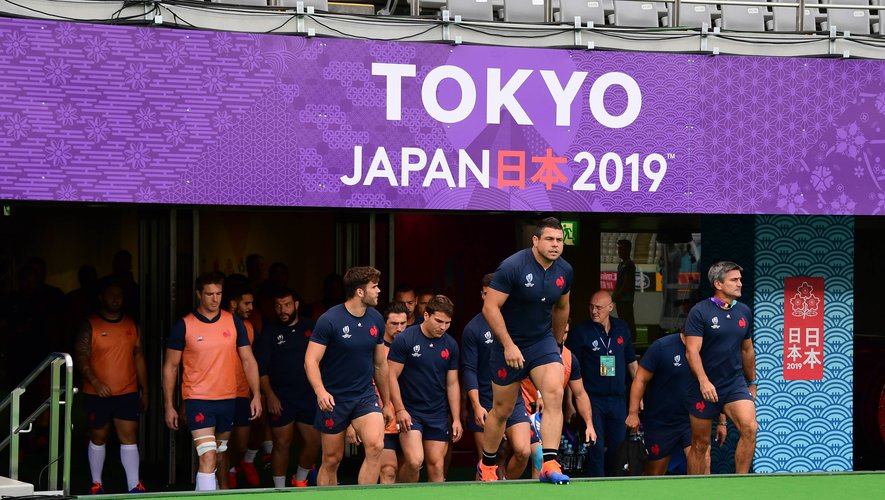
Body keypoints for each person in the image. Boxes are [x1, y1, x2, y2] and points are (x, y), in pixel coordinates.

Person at [478, 217, 573, 484]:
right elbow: (490, 307)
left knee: (554, 392)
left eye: (559, 240)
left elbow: (562, 307)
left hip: (542, 341)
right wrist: (508, 345)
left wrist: (557, 345)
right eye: (549, 239)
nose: (555, 245)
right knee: (502, 410)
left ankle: (549, 463)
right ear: (535, 240)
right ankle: (487, 465)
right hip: (509, 344)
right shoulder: (512, 266)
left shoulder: (565, 270)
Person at [162, 272, 262, 491]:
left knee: (218, 454)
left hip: (228, 399)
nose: (215, 299)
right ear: (199, 294)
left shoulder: (234, 322)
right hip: (198, 399)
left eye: (218, 294)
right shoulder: (184, 325)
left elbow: (248, 360)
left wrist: (256, 394)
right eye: (209, 294)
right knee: (207, 455)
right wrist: (169, 405)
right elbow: (170, 367)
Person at [304, 266, 395, 486]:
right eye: (374, 287)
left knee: (376, 446)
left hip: (365, 395)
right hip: (334, 399)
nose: (379, 291)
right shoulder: (329, 320)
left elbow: (380, 364)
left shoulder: (376, 319)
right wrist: (320, 391)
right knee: (332, 460)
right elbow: (310, 361)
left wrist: (386, 403)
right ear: (360, 292)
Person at [75, 278, 148, 494]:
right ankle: (96, 483)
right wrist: (95, 382)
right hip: (97, 392)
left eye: (119, 295)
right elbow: (81, 356)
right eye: (111, 295)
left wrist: (146, 390)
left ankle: (134, 485)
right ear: (101, 297)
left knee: (129, 437)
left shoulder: (131, 324)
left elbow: (139, 357)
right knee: (98, 436)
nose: (116, 299)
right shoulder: (90, 324)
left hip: (127, 391)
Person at [685, 261, 757, 475]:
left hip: (734, 384)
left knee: (750, 428)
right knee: (700, 444)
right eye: (734, 280)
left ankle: (741, 484)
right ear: (718, 284)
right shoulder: (700, 311)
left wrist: (752, 382)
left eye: (740, 279)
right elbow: (692, 351)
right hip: (703, 386)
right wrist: (704, 381)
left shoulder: (744, 311)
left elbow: (747, 350)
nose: (740, 284)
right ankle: (695, 489)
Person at [462, 274, 532, 480]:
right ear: (482, 294)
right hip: (486, 401)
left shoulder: (517, 323)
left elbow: (531, 360)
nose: (490, 297)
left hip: (513, 399)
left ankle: (506, 487)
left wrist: (539, 394)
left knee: (523, 452)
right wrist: (476, 405)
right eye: (486, 293)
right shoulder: (473, 329)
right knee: (487, 463)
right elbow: (469, 369)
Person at [625, 332, 726, 475]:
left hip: (693, 420)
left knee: (704, 459)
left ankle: (700, 489)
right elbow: (640, 379)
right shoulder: (662, 347)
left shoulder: (709, 349)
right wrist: (633, 413)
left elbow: (715, 386)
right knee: (654, 474)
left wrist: (722, 421)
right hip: (661, 422)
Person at [388, 295, 462, 482]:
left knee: (437, 466)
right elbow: (390, 376)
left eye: (447, 323)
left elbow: (452, 383)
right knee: (414, 461)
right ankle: (402, 493)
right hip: (411, 411)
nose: (443, 327)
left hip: (437, 413)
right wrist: (400, 409)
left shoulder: (451, 345)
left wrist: (456, 418)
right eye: (439, 321)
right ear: (426, 315)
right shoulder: (405, 339)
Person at [254, 289, 320, 488]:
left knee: (314, 442)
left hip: (308, 396)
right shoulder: (270, 332)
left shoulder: (311, 327)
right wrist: (270, 396)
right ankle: (279, 490)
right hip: (281, 398)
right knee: (282, 444)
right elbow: (261, 370)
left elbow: (323, 360)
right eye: (278, 305)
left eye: (287, 305)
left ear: (296, 305)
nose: (282, 310)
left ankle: (299, 480)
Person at [567, 290, 638, 477]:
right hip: (592, 398)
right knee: (596, 446)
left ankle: (614, 484)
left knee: (618, 445)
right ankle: (596, 486)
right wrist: (569, 403)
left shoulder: (622, 327)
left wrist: (639, 396)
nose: (594, 311)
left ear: (610, 307)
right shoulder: (580, 332)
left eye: (598, 307)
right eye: (591, 307)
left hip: (618, 398)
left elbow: (632, 364)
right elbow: (570, 370)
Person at [521, 323, 596, 479]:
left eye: (566, 332)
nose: (562, 335)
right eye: (560, 330)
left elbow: (580, 394)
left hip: (550, 415)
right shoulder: (531, 350)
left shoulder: (570, 358)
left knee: (542, 459)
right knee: (527, 454)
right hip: (524, 410)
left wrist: (589, 423)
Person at [219, 283, 257, 489]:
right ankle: (225, 479)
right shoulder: (218, 323)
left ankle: (234, 465)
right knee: (219, 445)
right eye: (247, 303)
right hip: (219, 393)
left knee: (241, 443)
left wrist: (256, 393)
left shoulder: (249, 327)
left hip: (243, 392)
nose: (251, 307)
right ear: (234, 304)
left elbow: (252, 361)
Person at [378, 302, 409, 483]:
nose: (399, 329)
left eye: (403, 324)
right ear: (384, 324)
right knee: (388, 470)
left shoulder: (413, 346)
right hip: (384, 418)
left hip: (410, 417)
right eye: (394, 324)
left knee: (411, 466)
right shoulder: (376, 349)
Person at [612, 239, 636, 339]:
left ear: (628, 250)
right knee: (622, 321)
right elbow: (619, 283)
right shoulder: (621, 265)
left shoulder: (629, 264)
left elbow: (626, 284)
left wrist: (617, 295)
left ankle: (632, 340)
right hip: (620, 299)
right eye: (619, 249)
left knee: (628, 321)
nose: (619, 251)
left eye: (622, 249)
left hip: (626, 299)